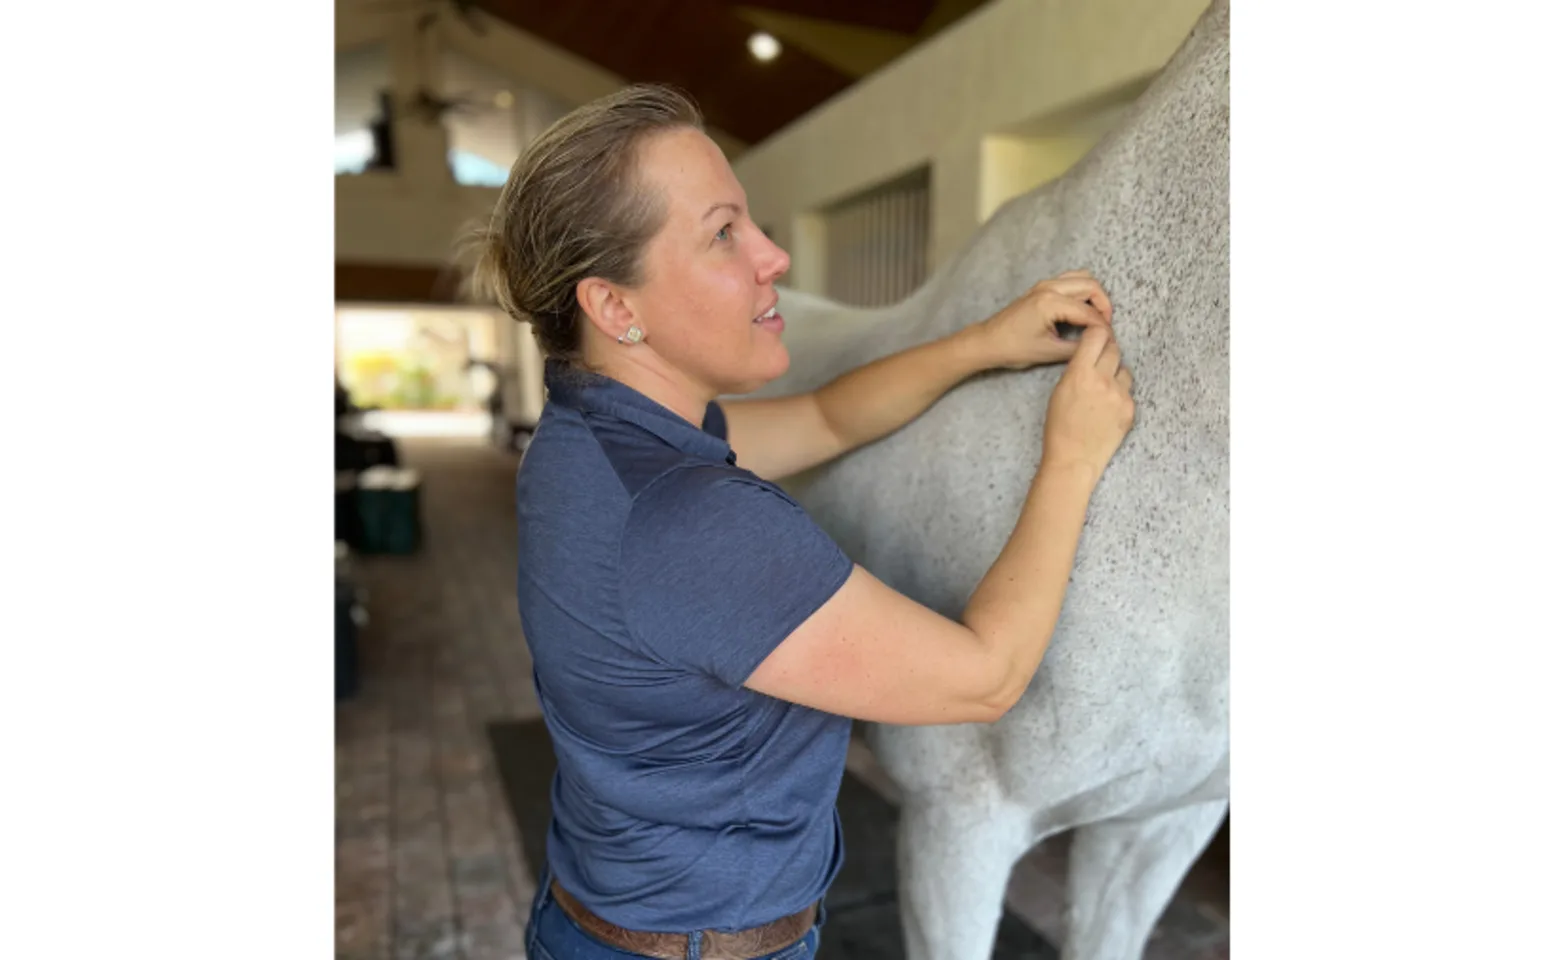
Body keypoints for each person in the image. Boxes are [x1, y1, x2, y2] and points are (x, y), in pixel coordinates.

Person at [464, 84, 1135, 960]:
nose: (774, 256)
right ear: (615, 308)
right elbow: (986, 678)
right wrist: (1074, 455)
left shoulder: (585, 436)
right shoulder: (697, 521)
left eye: (752, 223)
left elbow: (823, 418)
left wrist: (984, 342)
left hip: (596, 918)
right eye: (722, 235)